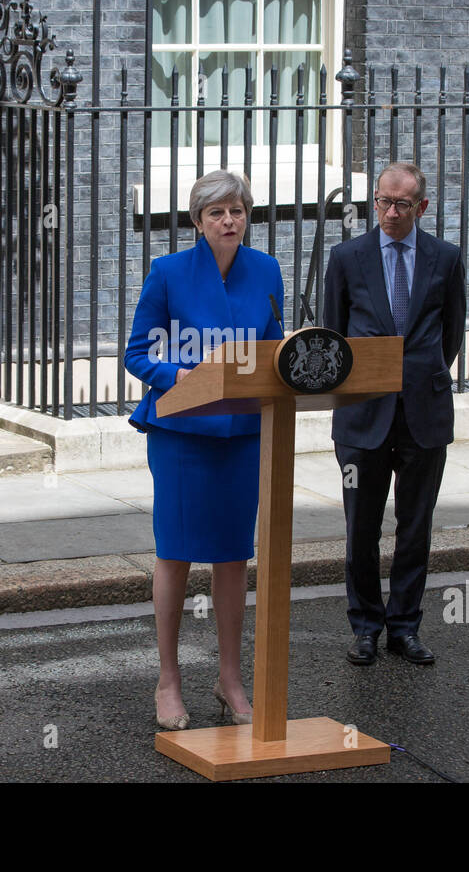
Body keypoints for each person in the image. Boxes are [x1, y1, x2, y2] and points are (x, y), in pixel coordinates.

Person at [123, 170, 285, 730]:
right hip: (181, 433)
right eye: (216, 213)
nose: (229, 221)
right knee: (175, 552)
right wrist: (178, 373)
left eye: (237, 211)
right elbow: (136, 354)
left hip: (242, 434)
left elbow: (273, 352)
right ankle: (168, 680)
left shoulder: (266, 270)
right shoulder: (168, 272)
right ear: (197, 222)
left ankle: (230, 679)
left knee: (232, 554)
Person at [324, 162, 466, 666]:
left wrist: (418, 376)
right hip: (363, 414)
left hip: (423, 411)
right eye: (382, 201)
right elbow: (333, 335)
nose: (388, 211)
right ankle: (364, 626)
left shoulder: (445, 259)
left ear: (421, 207)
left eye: (401, 204)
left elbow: (451, 335)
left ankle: (404, 627)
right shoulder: (347, 258)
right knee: (360, 525)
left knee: (415, 526)